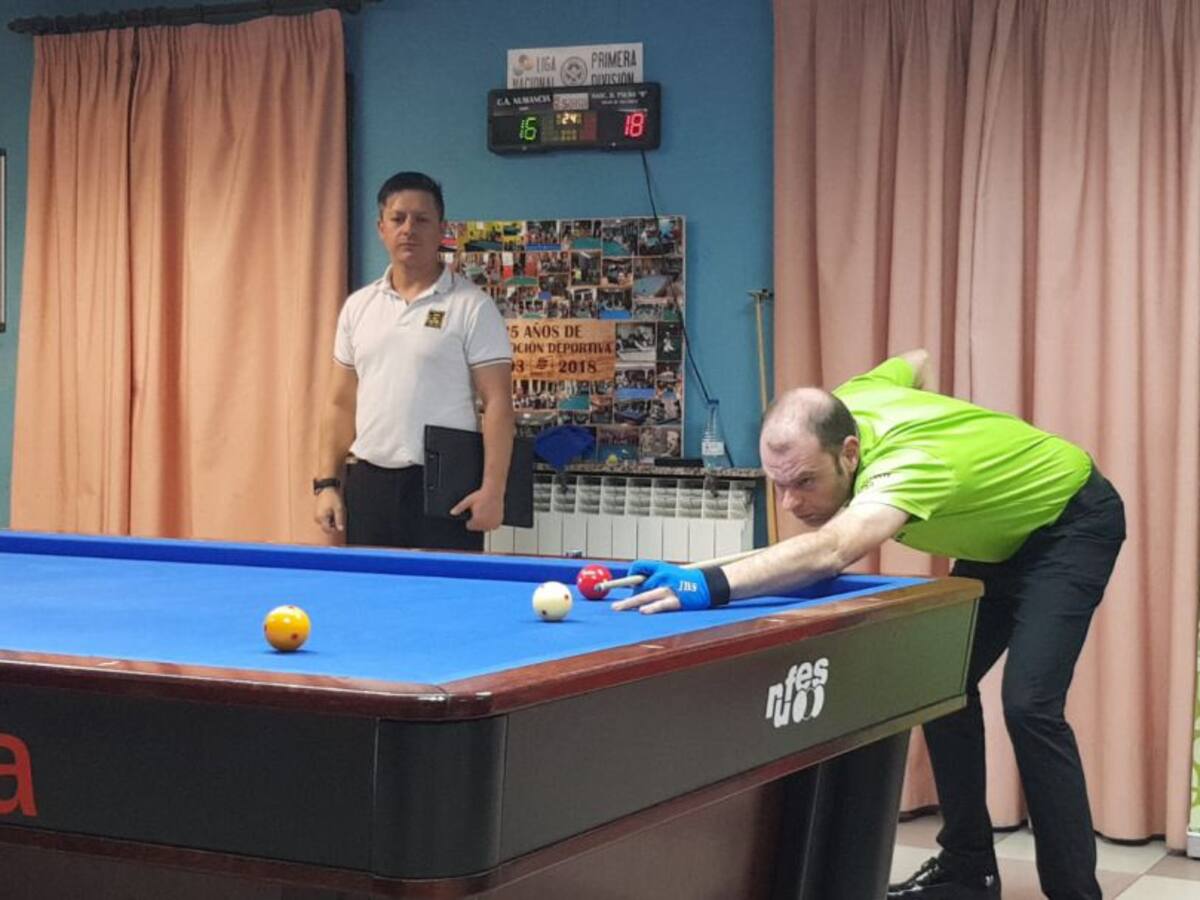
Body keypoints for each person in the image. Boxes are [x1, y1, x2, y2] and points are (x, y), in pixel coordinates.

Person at [614, 349, 1125, 900]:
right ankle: (968, 870)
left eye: (805, 482)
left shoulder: (912, 466)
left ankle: (1075, 894)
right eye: (778, 484)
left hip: (1070, 524)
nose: (790, 502)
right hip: (998, 540)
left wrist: (707, 583)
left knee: (1029, 705)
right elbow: (916, 360)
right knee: (942, 683)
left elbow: (831, 551)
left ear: (849, 453)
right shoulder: (853, 400)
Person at [313, 171, 515, 550]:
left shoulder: (473, 306)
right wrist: (327, 484)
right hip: (369, 483)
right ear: (382, 228)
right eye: (398, 218)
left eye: (422, 219)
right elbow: (340, 403)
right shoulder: (358, 307)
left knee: (444, 588)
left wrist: (493, 489)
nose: (409, 229)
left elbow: (498, 403)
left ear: (441, 230)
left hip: (447, 486)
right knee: (371, 588)